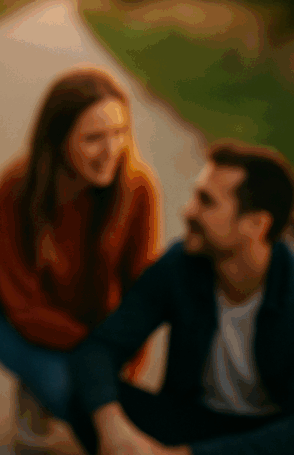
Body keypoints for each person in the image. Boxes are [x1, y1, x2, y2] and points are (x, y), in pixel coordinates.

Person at [68, 142, 294, 455]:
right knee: (88, 396)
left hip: (265, 437)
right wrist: (113, 428)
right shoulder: (181, 266)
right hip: (191, 423)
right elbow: (101, 347)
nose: (188, 211)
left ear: (256, 224)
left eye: (206, 202)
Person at [0, 68, 161, 451]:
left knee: (114, 403)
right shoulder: (15, 188)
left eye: (120, 132)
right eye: (94, 138)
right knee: (71, 393)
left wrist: (121, 364)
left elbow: (143, 292)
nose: (112, 150)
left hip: (89, 320)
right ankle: (37, 394)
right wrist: (95, 356)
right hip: (14, 317)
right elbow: (23, 305)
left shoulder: (139, 188)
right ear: (59, 140)